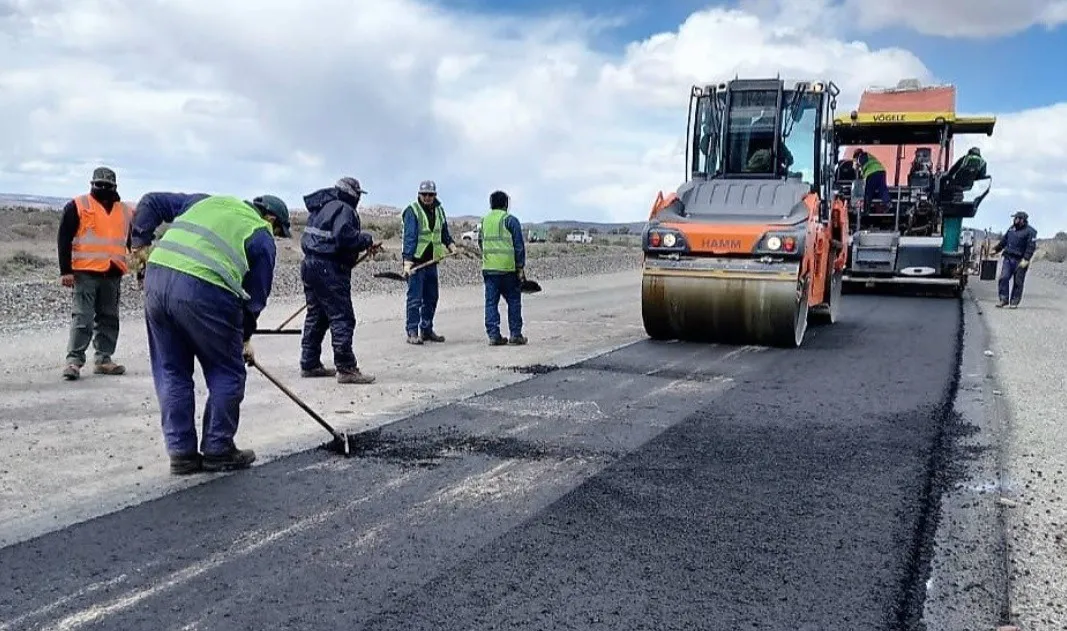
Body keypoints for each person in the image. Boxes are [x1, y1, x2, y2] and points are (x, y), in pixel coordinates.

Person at [129, 192, 292, 475]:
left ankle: (182, 454)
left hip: (156, 282)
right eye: (278, 231)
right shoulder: (261, 234)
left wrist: (140, 245)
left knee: (171, 371)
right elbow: (254, 299)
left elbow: (151, 202)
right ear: (271, 218)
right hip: (203, 291)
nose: (275, 235)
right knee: (226, 371)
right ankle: (218, 449)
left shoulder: (205, 201)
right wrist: (242, 338)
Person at [57, 167, 134, 380]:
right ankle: (73, 361)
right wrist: (65, 271)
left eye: (107, 186)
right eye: (98, 185)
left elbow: (132, 242)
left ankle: (104, 359)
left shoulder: (125, 211)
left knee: (109, 317)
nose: (102, 189)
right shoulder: (78, 205)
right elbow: (64, 238)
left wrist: (140, 269)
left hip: (113, 271)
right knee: (83, 317)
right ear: (91, 185)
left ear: (115, 187)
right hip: (85, 272)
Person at [298, 177, 377, 384]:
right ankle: (346, 368)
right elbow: (344, 237)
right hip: (329, 268)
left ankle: (309, 363)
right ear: (353, 193)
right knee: (342, 317)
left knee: (317, 315)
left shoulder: (321, 207)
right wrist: (366, 239)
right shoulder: (344, 209)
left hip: (310, 264)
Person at [401, 180, 457, 344]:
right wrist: (407, 261)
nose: (427, 197)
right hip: (417, 262)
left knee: (431, 297)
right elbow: (410, 237)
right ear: (419, 194)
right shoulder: (412, 211)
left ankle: (426, 329)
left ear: (435, 195)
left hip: (432, 260)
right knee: (415, 299)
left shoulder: (439, 210)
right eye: (424, 194)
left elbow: (443, 231)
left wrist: (451, 245)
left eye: (430, 195)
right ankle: (412, 332)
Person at [479, 190, 528, 346]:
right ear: (506, 204)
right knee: (513, 301)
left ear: (491, 204)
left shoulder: (484, 221)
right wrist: (520, 267)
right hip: (508, 269)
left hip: (489, 269)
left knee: (491, 303)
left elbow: (481, 242)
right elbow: (519, 246)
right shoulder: (510, 220)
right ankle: (515, 335)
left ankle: (494, 335)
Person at [992, 211, 1038, 309]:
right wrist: (996, 250)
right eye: (1015, 218)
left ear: (1022, 220)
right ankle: (1003, 299)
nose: (1015, 220)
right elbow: (1004, 241)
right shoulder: (1011, 229)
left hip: (1021, 260)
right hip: (1008, 258)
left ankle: (1014, 301)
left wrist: (1026, 259)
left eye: (1017, 218)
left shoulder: (1031, 232)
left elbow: (1031, 247)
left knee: (1018, 282)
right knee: (1003, 278)